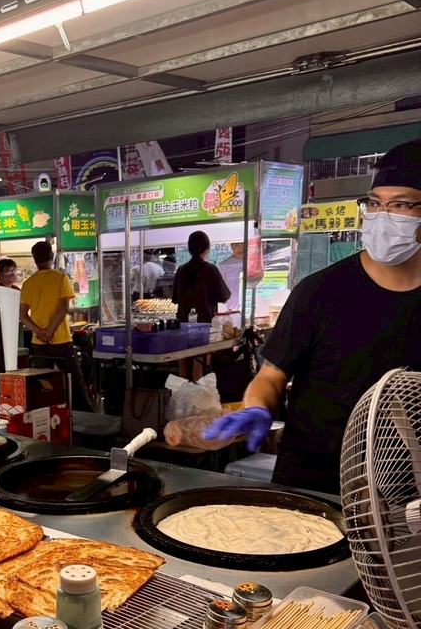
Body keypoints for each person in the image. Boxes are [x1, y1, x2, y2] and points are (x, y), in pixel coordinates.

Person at [204, 138, 421, 495]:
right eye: (375, 204)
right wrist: (257, 406)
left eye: (400, 205)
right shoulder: (320, 292)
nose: (382, 217)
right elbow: (272, 376)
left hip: (403, 497)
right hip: (311, 484)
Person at [19, 240, 94, 413]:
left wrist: (40, 332)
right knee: (74, 382)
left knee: (41, 383)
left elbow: (23, 315)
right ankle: (86, 417)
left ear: (34, 259)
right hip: (60, 339)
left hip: (39, 343)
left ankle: (42, 416)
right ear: (51, 256)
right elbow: (64, 308)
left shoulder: (28, 283)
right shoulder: (61, 278)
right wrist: (51, 331)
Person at [172, 230, 231, 323]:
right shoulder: (211, 269)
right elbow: (224, 297)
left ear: (189, 249)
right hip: (205, 324)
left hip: (184, 324)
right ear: (207, 249)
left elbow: (175, 299)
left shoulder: (180, 270)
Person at [217, 242, 245, 312]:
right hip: (229, 308)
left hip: (248, 305)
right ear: (232, 247)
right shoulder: (224, 265)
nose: (240, 249)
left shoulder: (252, 263)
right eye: (237, 245)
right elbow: (220, 288)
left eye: (243, 245)